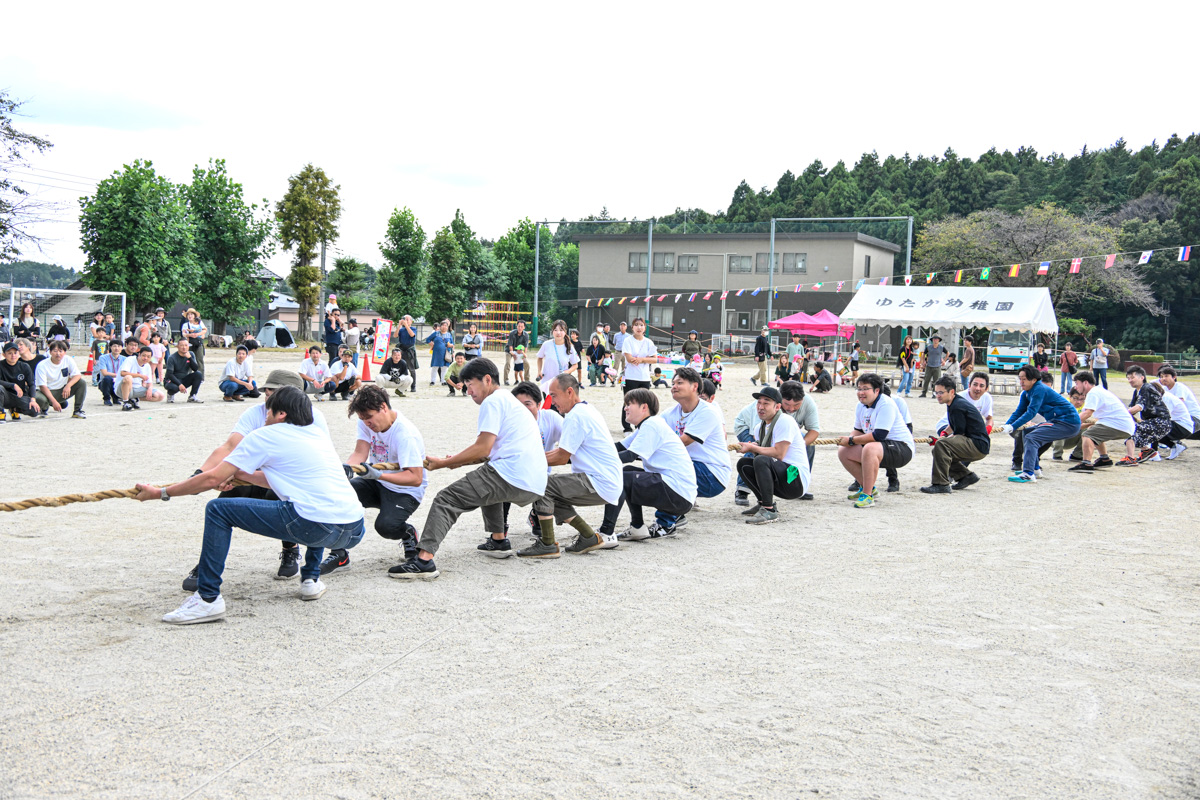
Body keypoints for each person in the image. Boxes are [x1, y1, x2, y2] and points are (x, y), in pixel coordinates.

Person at [139, 385, 364, 624]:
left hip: (316, 527)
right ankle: (311, 579)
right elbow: (282, 481)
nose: (265, 415)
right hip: (353, 529)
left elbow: (212, 478)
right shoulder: (317, 434)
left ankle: (207, 599)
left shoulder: (265, 435)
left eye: (269, 410)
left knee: (218, 510)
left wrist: (160, 493)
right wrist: (241, 476)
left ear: (281, 414)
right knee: (312, 501)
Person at [181, 369, 331, 591]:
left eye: (273, 394)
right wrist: (200, 473)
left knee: (283, 498)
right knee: (221, 506)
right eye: (267, 393)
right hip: (252, 476)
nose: (267, 399)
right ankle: (206, 565)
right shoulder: (255, 413)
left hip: (287, 482)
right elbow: (230, 446)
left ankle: (291, 551)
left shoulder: (312, 417)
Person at [400, 358, 547, 577]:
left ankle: (423, 561)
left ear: (487, 380)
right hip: (534, 482)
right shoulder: (508, 400)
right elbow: (487, 453)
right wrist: (457, 461)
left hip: (513, 475)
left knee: (446, 499)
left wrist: (444, 463)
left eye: (470, 385)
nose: (468, 391)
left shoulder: (492, 401)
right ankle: (498, 541)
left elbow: (482, 448)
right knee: (487, 479)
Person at [320, 385, 427, 575]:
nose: (366, 423)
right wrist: (346, 469)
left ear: (383, 407)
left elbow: (415, 478)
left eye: (369, 417)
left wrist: (379, 475)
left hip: (404, 490)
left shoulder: (405, 434)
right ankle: (339, 554)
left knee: (386, 527)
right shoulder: (365, 421)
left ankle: (408, 533)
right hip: (377, 481)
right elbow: (360, 452)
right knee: (338, 498)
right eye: (362, 419)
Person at [517, 372, 624, 555]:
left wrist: (525, 460)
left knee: (542, 484)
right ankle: (588, 536)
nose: (552, 401)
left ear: (569, 392)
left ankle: (547, 544)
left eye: (554, 395)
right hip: (608, 481)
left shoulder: (575, 416)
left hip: (599, 481)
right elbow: (562, 453)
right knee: (553, 495)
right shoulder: (586, 409)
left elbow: (561, 457)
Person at [597, 389, 698, 539]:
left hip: (678, 494)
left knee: (622, 478)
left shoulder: (652, 424)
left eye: (629, 404)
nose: (625, 408)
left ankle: (606, 532)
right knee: (626, 471)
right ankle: (637, 527)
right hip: (678, 492)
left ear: (644, 407)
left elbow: (630, 455)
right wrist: (587, 451)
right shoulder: (646, 425)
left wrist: (597, 462)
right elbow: (618, 447)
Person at [650, 367, 732, 532]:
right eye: (673, 383)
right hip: (690, 467)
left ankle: (666, 523)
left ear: (695, 386)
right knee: (649, 472)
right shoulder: (670, 413)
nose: (674, 386)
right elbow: (651, 433)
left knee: (667, 469)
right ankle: (677, 512)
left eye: (679, 383)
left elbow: (683, 442)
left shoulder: (708, 412)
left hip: (713, 474)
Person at [492, 381, 563, 545]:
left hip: (539, 476)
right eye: (518, 405)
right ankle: (500, 530)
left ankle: (536, 517)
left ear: (539, 405)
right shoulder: (507, 422)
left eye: (528, 404)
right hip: (511, 474)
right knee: (497, 479)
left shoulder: (550, 418)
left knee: (547, 485)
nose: (523, 409)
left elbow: (570, 441)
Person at [735, 386, 812, 524]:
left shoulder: (785, 421)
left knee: (761, 460)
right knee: (744, 464)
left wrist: (753, 448)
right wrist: (753, 448)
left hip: (795, 479)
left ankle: (769, 510)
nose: (760, 407)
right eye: (759, 403)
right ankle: (763, 503)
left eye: (766, 403)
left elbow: (779, 454)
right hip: (781, 475)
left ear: (777, 407)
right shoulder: (759, 428)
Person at [837, 373, 915, 507]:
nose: (861, 392)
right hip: (881, 447)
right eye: (859, 389)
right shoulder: (861, 405)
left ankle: (867, 496)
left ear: (876, 390)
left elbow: (879, 436)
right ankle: (868, 487)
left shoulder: (886, 404)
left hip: (902, 449)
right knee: (844, 451)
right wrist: (847, 441)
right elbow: (858, 431)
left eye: (865, 389)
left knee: (870, 448)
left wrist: (851, 440)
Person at [1004, 364, 1082, 482]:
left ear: (1034, 380)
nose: (1021, 382)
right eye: (1020, 378)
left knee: (1032, 437)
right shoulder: (1026, 393)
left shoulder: (1039, 389)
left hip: (1068, 423)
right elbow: (1019, 411)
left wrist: (1013, 426)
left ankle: (1028, 474)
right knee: (1027, 431)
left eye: (1024, 379)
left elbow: (1031, 412)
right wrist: (1007, 425)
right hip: (1056, 421)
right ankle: (1035, 469)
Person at [921, 376, 989, 494]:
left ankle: (941, 484)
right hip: (977, 443)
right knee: (938, 449)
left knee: (941, 446)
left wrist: (941, 441)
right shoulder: (954, 403)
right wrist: (943, 434)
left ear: (951, 392)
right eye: (936, 392)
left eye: (941, 392)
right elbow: (952, 426)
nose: (938, 395)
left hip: (978, 445)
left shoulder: (957, 406)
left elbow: (959, 434)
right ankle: (965, 476)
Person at [1067, 370, 1135, 472]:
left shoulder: (1093, 393)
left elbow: (1087, 413)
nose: (1076, 387)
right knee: (1093, 430)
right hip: (1123, 425)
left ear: (1085, 383)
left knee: (1087, 435)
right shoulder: (1098, 391)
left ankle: (1086, 463)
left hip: (1119, 424)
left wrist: (1070, 422)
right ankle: (1104, 459)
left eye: (1077, 383)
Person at [1121, 365, 1171, 465]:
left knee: (1131, 430)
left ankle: (1131, 458)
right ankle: (1146, 451)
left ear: (1142, 377)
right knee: (1129, 428)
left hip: (1161, 422)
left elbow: (1138, 407)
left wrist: (1120, 414)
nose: (1130, 380)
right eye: (1128, 378)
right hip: (1154, 422)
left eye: (1132, 377)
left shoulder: (1146, 388)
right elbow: (1132, 409)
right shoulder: (1137, 391)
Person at [779, 379, 819, 488]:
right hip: (749, 428)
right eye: (787, 404)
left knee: (809, 445)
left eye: (796, 405)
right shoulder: (772, 401)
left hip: (789, 433)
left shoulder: (808, 402)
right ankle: (742, 490)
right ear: (779, 398)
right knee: (754, 450)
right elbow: (760, 431)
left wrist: (799, 445)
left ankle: (801, 485)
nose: (791, 409)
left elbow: (814, 430)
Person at [620, 317, 658, 433]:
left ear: (645, 328)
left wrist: (641, 359)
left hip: (644, 377)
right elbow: (629, 358)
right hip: (631, 377)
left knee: (643, 403)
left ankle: (640, 426)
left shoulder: (649, 342)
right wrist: (640, 359)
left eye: (641, 325)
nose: (639, 327)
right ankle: (627, 427)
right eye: (636, 325)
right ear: (632, 327)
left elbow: (654, 359)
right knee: (629, 402)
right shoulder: (628, 340)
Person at [33, 339, 87, 418]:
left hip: (61, 390)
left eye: (61, 351)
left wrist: (68, 386)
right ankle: (43, 409)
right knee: (38, 398)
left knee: (81, 383)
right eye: (55, 351)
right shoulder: (42, 365)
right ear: (50, 352)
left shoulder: (68, 359)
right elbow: (42, 386)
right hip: (45, 392)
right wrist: (54, 402)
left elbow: (77, 375)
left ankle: (77, 410)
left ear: (65, 352)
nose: (58, 354)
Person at [1156, 366, 1200, 442]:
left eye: (1166, 376)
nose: (1163, 379)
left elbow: (1179, 404)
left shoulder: (1179, 387)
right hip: (1181, 418)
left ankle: (1174, 443)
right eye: (1161, 377)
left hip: (1193, 418)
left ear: (1174, 377)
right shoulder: (1164, 389)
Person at [0, 341, 40, 420]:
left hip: (19, 396)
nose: (13, 355)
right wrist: (13, 385)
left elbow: (31, 384)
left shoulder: (24, 366)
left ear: (18, 353)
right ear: (4, 355)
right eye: (10, 353)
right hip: (5, 396)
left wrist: (33, 399)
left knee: (34, 411)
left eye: (15, 353)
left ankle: (14, 409)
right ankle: (1, 412)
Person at [118, 344, 165, 410]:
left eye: (148, 357)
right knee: (128, 377)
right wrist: (140, 375)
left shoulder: (147, 366)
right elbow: (123, 373)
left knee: (160, 396)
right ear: (139, 354)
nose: (145, 358)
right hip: (123, 388)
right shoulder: (130, 359)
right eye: (144, 355)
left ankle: (134, 399)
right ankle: (126, 402)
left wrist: (150, 389)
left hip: (137, 389)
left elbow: (149, 382)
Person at [1154, 381, 1193, 460]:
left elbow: (1165, 416)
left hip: (1183, 427)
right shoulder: (1161, 397)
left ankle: (1153, 454)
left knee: (1153, 428)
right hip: (1178, 424)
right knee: (1153, 428)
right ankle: (1175, 446)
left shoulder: (1166, 398)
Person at [164, 338, 204, 403]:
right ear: (177, 346)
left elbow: (195, 369)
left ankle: (192, 396)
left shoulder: (191, 354)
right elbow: (169, 374)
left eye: (186, 345)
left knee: (198, 374)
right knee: (174, 387)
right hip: (172, 380)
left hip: (184, 378)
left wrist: (190, 358)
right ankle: (170, 394)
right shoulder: (172, 358)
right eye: (182, 345)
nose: (184, 347)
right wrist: (180, 384)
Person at [425, 319, 454, 386]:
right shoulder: (436, 333)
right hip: (437, 353)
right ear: (440, 326)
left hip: (445, 353)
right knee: (435, 367)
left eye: (446, 325)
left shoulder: (449, 335)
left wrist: (450, 346)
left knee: (444, 367)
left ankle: (443, 381)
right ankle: (433, 381)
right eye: (443, 325)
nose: (444, 327)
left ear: (448, 327)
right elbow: (428, 339)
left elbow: (452, 343)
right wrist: (432, 344)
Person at [95, 340, 125, 406]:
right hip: (105, 382)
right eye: (114, 346)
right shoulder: (103, 358)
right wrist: (119, 375)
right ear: (110, 347)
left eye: (119, 346)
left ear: (122, 348)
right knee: (107, 378)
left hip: (118, 382)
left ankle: (116, 398)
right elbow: (104, 373)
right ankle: (106, 399)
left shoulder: (125, 359)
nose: (116, 348)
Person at [396, 315, 419, 392]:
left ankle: (413, 386)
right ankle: (403, 385)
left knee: (411, 369)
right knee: (402, 368)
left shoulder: (413, 328)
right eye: (404, 319)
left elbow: (412, 335)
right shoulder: (401, 330)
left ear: (411, 321)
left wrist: (406, 325)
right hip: (401, 349)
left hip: (410, 350)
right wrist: (399, 325)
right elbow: (395, 335)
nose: (405, 321)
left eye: (407, 319)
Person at [181, 308, 207, 373]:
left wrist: (197, 334)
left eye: (191, 314)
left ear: (195, 316)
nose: (190, 316)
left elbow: (204, 330)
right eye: (188, 314)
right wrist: (190, 335)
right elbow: (183, 334)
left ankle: (200, 375)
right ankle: (188, 375)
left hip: (198, 343)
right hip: (189, 343)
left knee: (199, 360)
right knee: (188, 359)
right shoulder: (185, 325)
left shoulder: (200, 323)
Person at [503, 319, 528, 385]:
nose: (520, 328)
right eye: (519, 326)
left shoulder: (526, 335)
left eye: (521, 326)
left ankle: (527, 380)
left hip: (520, 352)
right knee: (508, 363)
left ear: (524, 327)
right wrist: (513, 353)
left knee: (526, 363)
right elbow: (510, 344)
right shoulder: (512, 333)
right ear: (516, 326)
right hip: (510, 350)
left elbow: (526, 346)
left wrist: (523, 355)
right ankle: (506, 380)